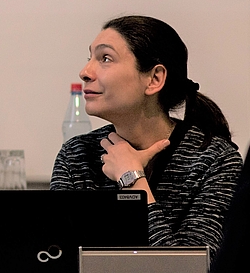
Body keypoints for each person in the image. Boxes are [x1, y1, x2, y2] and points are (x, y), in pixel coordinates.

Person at [51, 15, 242, 258]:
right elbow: (57, 259)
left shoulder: (215, 160)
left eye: (105, 58)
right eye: (89, 58)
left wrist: (132, 180)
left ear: (154, 79)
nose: (85, 72)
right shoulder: (76, 156)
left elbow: (193, 267)